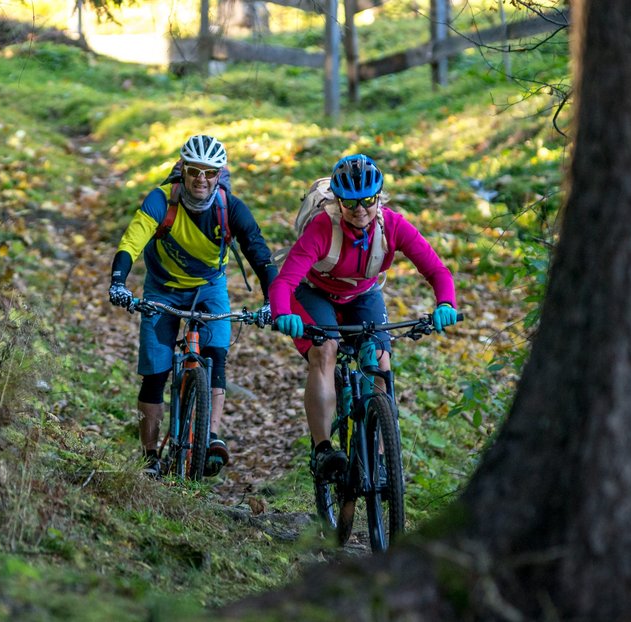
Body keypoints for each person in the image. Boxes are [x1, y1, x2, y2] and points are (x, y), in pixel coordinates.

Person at [268, 154, 461, 483]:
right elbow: (284, 282)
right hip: (314, 292)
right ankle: (323, 449)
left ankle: (381, 459)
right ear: (339, 202)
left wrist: (445, 303)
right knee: (325, 350)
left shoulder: (394, 225)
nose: (360, 210)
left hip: (362, 294)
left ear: (379, 197)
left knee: (380, 363)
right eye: (351, 203)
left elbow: (436, 270)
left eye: (368, 201)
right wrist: (283, 314)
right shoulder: (321, 228)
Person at [107, 134, 278, 477]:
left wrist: (275, 301)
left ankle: (211, 436)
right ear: (183, 170)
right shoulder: (161, 200)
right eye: (195, 170)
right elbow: (133, 239)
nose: (202, 178)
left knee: (216, 355)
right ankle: (151, 455)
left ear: (219, 174)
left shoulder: (230, 208)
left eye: (210, 172)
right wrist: (118, 281)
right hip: (163, 289)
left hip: (209, 288)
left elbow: (260, 254)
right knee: (155, 374)